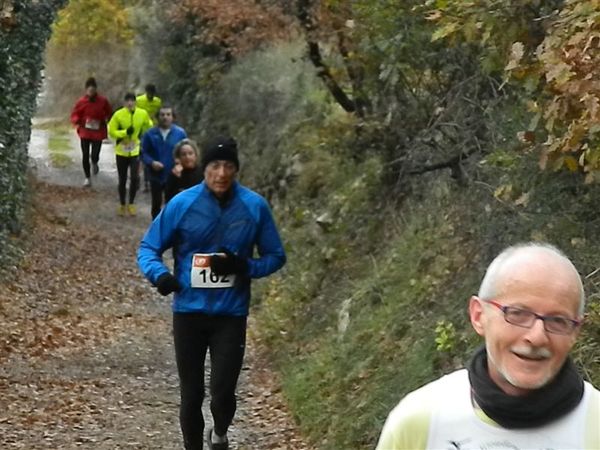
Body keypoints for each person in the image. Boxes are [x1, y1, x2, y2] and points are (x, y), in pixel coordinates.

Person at [137, 135, 286, 450]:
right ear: (205, 169)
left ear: (236, 169)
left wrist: (244, 267)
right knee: (191, 394)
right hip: (189, 313)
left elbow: (275, 256)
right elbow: (148, 247)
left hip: (230, 315)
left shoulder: (254, 207)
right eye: (215, 166)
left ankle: (219, 433)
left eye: (228, 166)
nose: (222, 173)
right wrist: (160, 276)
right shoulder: (182, 204)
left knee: (222, 393)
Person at [376, 242, 599, 450]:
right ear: (478, 315)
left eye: (558, 321)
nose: (537, 337)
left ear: (575, 332)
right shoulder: (421, 420)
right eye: (518, 314)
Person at [107, 93, 153, 216]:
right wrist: (124, 132)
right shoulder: (118, 114)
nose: (130, 103)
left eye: (132, 101)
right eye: (127, 101)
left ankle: (131, 203)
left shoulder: (142, 113)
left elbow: (149, 126)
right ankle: (122, 204)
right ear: (124, 102)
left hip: (135, 150)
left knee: (134, 178)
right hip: (121, 151)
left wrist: (145, 138)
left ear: (135, 102)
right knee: (122, 179)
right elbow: (111, 131)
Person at [141, 106, 187, 218]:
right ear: (157, 117)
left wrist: (180, 164)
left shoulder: (180, 133)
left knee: (172, 204)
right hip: (155, 175)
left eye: (168, 114)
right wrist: (151, 162)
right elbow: (143, 152)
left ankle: (170, 228)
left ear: (173, 117)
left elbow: (186, 151)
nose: (165, 117)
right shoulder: (150, 134)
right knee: (156, 204)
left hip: (173, 175)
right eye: (162, 115)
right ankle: (156, 228)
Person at [69, 77, 112, 187]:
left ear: (96, 90)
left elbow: (109, 112)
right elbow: (75, 114)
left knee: (94, 154)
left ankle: (95, 162)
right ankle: (87, 177)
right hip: (85, 131)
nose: (91, 92)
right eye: (89, 90)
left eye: (93, 90)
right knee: (85, 154)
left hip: (98, 132)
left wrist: (107, 119)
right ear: (86, 90)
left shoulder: (103, 101)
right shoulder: (81, 101)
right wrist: (76, 120)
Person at [136, 84, 162, 192]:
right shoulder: (139, 100)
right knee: (140, 156)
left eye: (153, 93)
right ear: (146, 92)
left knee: (151, 155)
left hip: (154, 132)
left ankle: (148, 181)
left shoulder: (158, 102)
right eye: (149, 93)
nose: (151, 95)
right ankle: (139, 180)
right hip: (141, 131)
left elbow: (159, 115)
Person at [165, 138, 204, 203]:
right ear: (178, 157)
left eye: (190, 153)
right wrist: (176, 178)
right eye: (183, 154)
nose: (187, 157)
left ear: (196, 155)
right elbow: (169, 198)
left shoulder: (203, 172)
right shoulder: (175, 174)